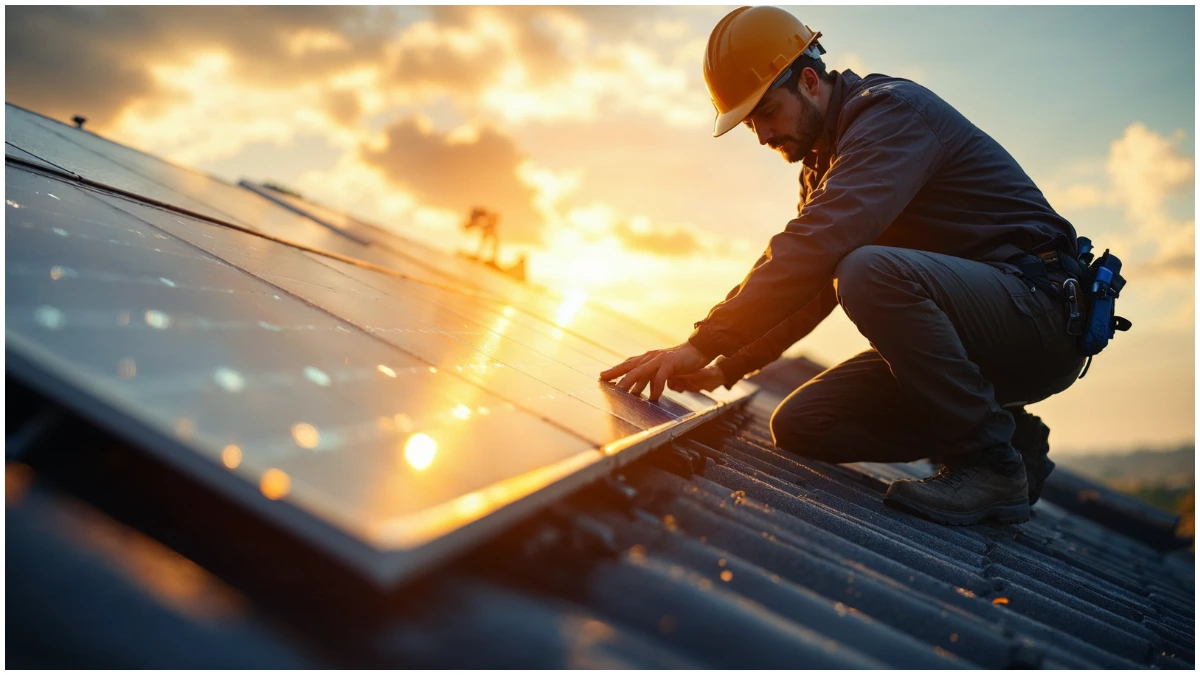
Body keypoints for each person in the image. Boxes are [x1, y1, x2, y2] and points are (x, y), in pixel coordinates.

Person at [599, 5, 1089, 526]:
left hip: (1038, 315)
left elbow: (816, 246)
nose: (762, 136)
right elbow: (811, 286)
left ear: (809, 81)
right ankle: (1011, 439)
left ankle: (988, 463)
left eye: (766, 113)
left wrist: (701, 341)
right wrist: (725, 366)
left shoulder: (892, 116)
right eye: (749, 125)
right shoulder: (824, 162)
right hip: (975, 335)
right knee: (804, 423)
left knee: (865, 270)